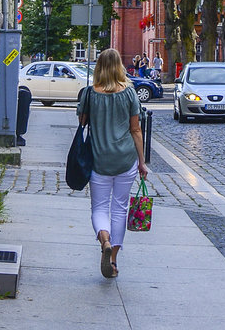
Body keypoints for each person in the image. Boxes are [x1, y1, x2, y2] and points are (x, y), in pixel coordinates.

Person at [77, 48, 148, 279]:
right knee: (120, 208)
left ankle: (104, 241)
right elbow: (135, 129)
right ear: (119, 66)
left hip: (99, 160)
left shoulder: (89, 93)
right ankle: (114, 260)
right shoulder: (129, 93)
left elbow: (82, 121)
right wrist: (142, 162)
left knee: (99, 207)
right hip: (125, 159)